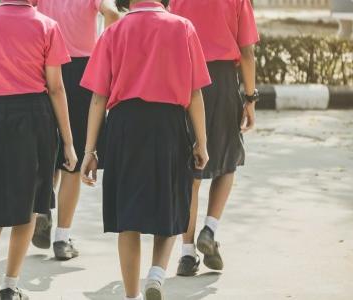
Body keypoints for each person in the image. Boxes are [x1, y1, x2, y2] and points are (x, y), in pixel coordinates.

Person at [79, 1, 210, 299]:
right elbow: (195, 92)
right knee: (173, 204)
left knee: (128, 216)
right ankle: (156, 274)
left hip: (124, 126)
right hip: (169, 124)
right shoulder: (182, 28)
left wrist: (90, 151)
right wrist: (201, 141)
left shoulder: (115, 31)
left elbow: (99, 97)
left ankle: (131, 295)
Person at [0, 1, 77, 299]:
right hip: (35, 115)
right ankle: (10, 285)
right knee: (32, 203)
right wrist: (69, 142)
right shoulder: (47, 26)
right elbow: (56, 88)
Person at [169, 0, 260, 276]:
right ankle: (209, 229)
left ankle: (186, 255)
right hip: (221, 81)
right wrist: (250, 97)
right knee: (228, 161)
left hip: (186, 79)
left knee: (191, 170)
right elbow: (247, 51)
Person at [31, 0, 121, 261]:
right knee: (74, 159)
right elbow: (113, 13)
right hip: (84, 71)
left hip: (47, 69)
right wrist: (103, 46)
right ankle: (62, 237)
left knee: (51, 149)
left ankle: (44, 208)